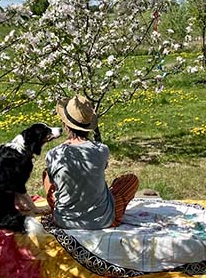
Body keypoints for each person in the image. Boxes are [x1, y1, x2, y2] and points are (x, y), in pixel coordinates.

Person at [43, 95, 138, 229]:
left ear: (65, 125)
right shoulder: (101, 150)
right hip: (103, 220)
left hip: (63, 221)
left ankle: (60, 205)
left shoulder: (53, 154)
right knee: (131, 180)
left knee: (47, 175)